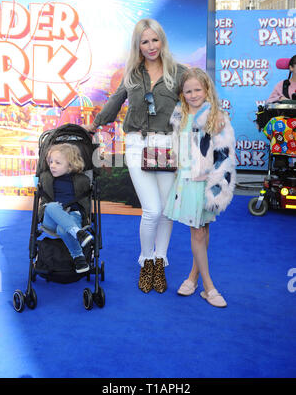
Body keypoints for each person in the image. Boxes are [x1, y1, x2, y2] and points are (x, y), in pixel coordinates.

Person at [84, 18, 225, 294]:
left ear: (162, 41)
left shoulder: (179, 72)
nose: (151, 46)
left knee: (167, 211)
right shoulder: (132, 75)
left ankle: (160, 261)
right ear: (138, 45)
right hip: (138, 145)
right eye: (144, 41)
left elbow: (199, 94)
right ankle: (146, 260)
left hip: (169, 147)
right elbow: (114, 102)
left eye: (155, 40)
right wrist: (96, 123)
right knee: (152, 210)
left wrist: (215, 112)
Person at [164, 68, 236, 307]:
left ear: (207, 90)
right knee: (200, 231)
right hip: (186, 183)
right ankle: (194, 278)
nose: (193, 95)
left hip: (206, 183)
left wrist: (216, 186)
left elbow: (224, 156)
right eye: (188, 91)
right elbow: (178, 148)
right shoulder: (179, 116)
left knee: (200, 231)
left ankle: (208, 287)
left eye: (198, 90)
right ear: (182, 94)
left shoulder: (216, 116)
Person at [38, 143, 93, 274]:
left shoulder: (82, 180)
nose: (52, 165)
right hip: (50, 218)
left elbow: (84, 203)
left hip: (73, 215)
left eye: (57, 163)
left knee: (63, 229)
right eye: (50, 161)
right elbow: (45, 204)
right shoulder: (46, 178)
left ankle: (79, 258)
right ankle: (78, 233)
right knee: (51, 206)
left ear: (70, 165)